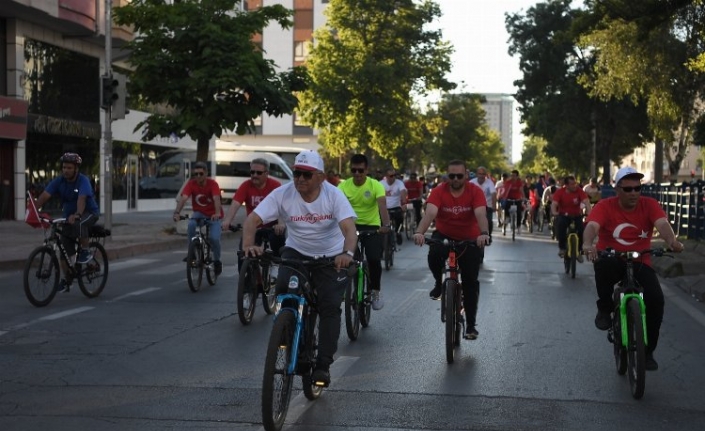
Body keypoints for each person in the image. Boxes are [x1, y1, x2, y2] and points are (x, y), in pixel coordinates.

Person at [241, 150, 358, 386]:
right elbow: (252, 220)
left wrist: (347, 254)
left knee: (329, 306)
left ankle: (323, 365)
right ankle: (287, 328)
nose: (300, 179)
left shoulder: (333, 196)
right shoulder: (283, 194)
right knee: (285, 289)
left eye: (306, 174)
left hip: (331, 256)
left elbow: (349, 229)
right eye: (296, 173)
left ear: (320, 177)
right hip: (296, 252)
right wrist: (249, 245)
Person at [583, 167, 684, 371]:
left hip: (640, 261)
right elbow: (592, 226)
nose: (634, 193)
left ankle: (647, 353)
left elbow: (662, 224)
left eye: (637, 188)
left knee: (656, 300)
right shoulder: (605, 205)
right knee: (602, 266)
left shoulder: (649, 205)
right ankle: (604, 309)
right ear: (617, 189)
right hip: (611, 257)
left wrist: (672, 241)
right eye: (628, 189)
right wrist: (587, 244)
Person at [413, 160, 491, 340]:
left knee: (471, 282)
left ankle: (470, 325)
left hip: (470, 239)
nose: (455, 179)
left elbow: (480, 214)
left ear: (466, 175)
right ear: (447, 176)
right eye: (451, 176)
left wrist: (484, 234)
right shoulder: (439, 191)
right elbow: (430, 213)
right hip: (444, 235)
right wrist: (419, 232)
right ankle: (439, 284)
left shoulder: (475, 191)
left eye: (459, 176)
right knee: (433, 254)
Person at [34, 152, 100, 292]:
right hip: (68, 216)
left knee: (79, 223)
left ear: (76, 169)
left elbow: (81, 199)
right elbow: (45, 195)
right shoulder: (59, 181)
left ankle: (86, 251)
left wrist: (77, 214)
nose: (66, 170)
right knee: (64, 250)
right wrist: (33, 210)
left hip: (88, 213)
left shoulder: (83, 180)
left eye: (69, 168)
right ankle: (68, 279)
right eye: (64, 167)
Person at [338, 154, 391, 310]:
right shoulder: (343, 186)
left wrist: (386, 224)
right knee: (343, 259)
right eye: (353, 170)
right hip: (350, 227)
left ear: (366, 170)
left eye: (360, 170)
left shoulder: (375, 185)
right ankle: (342, 288)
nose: (357, 174)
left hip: (372, 227)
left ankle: (375, 291)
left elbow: (382, 206)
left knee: (374, 259)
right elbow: (336, 208)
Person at [222, 157, 285, 271]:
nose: (255, 175)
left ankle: (278, 272)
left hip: (272, 227)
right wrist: (227, 221)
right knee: (243, 253)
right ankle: (246, 282)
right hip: (253, 227)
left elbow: (281, 207)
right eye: (252, 172)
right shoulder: (246, 185)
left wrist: (280, 224)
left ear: (267, 173)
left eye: (259, 172)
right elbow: (235, 204)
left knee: (279, 248)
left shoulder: (275, 185)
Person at [173, 161, 223, 275]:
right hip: (199, 213)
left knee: (214, 238)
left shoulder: (213, 184)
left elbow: (216, 199)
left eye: (201, 174)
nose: (198, 176)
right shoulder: (191, 184)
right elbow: (184, 198)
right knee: (191, 224)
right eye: (196, 174)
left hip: (213, 215)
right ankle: (193, 254)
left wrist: (217, 213)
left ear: (206, 173)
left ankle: (217, 261)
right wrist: (177, 212)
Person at [551, 175, 591, 261]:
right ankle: (562, 248)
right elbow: (554, 204)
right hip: (564, 215)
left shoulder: (579, 191)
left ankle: (579, 251)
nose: (574, 185)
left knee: (581, 230)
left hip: (577, 215)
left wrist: (589, 213)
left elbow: (586, 202)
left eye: (575, 183)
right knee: (560, 226)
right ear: (566, 185)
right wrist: (554, 212)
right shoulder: (560, 192)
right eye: (572, 184)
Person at [382, 168, 407, 246]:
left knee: (400, 219)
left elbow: (403, 192)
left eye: (394, 175)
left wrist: (403, 203)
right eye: (391, 176)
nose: (393, 177)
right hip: (384, 208)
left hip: (396, 207)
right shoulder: (380, 184)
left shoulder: (399, 183)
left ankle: (398, 233)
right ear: (386, 176)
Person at [469, 166, 497, 237]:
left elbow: (493, 194)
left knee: (489, 221)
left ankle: (488, 236)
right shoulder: (471, 182)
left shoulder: (489, 183)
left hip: (487, 205)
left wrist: (494, 206)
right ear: (477, 174)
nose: (481, 176)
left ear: (485, 175)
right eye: (480, 174)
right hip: (474, 206)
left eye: (483, 174)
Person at [502, 170, 525, 234]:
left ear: (517, 176)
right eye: (511, 175)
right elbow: (505, 191)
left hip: (517, 199)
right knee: (506, 207)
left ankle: (519, 226)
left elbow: (521, 190)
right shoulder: (508, 182)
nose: (513, 177)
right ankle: (506, 221)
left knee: (519, 212)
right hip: (509, 199)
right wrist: (504, 197)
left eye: (514, 176)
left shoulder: (519, 182)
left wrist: (523, 197)